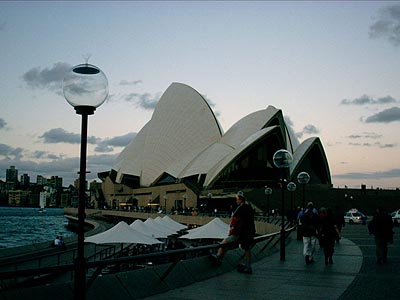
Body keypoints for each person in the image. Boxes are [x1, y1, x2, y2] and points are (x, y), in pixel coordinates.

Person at [211, 191, 256, 274]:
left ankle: (218, 257)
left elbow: (234, 220)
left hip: (241, 233)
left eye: (237, 199)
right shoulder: (248, 207)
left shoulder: (241, 208)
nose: (236, 201)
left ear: (241, 200)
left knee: (224, 242)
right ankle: (248, 266)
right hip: (248, 232)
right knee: (246, 248)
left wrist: (231, 231)